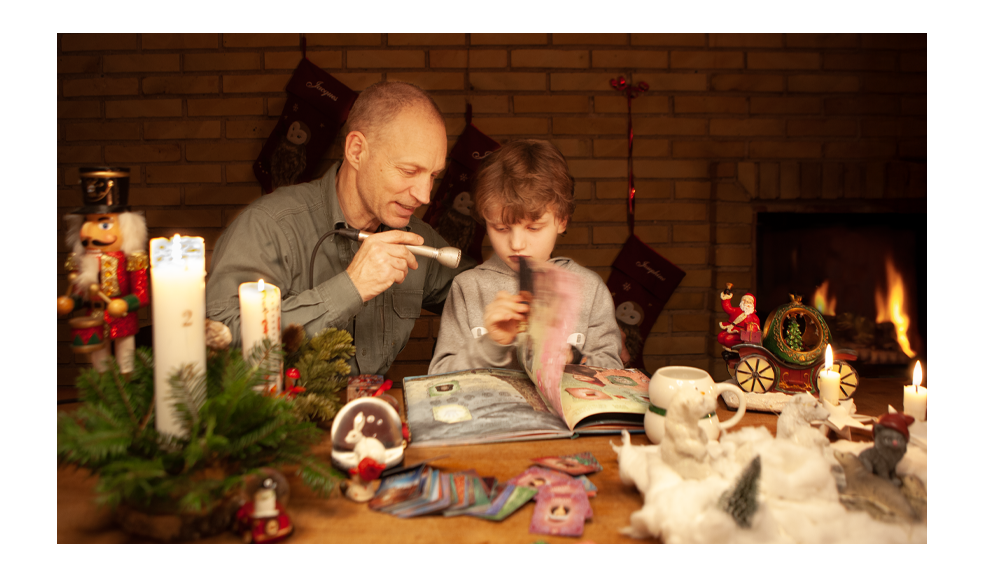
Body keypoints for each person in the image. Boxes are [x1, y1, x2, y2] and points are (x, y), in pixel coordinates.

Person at [206, 81, 470, 376]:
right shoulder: (269, 227)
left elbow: (479, 294)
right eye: (409, 171)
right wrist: (351, 287)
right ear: (357, 151)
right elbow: (219, 340)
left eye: (433, 175)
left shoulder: (418, 239)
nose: (425, 195)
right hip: (283, 419)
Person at [428, 140, 623, 374]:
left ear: (562, 220)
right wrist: (492, 344)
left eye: (533, 228)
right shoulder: (468, 288)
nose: (517, 244)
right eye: (501, 228)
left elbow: (616, 375)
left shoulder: (590, 289)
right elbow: (438, 378)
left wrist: (572, 356)